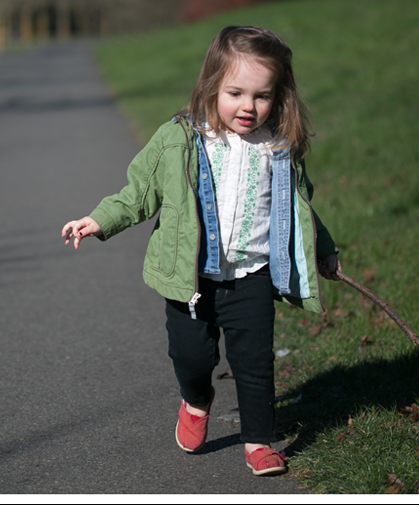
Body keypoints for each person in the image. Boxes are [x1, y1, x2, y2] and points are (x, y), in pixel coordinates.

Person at [60, 25, 340, 476]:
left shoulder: (277, 147)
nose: (248, 107)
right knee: (192, 359)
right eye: (235, 93)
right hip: (190, 281)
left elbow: (301, 209)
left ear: (279, 96)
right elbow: (139, 192)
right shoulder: (180, 140)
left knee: (254, 364)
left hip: (252, 275)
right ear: (211, 85)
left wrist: (324, 250)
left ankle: (259, 442)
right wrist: (100, 220)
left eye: (262, 96)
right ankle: (196, 399)